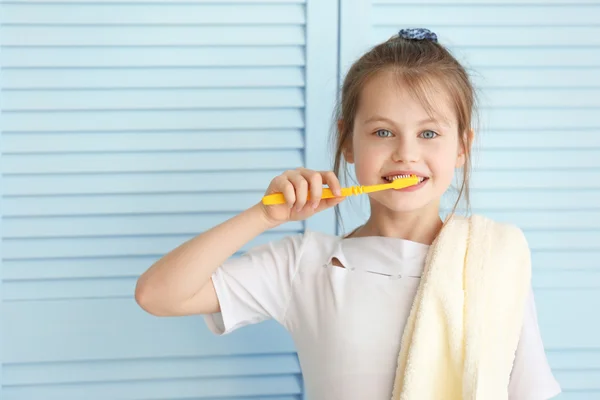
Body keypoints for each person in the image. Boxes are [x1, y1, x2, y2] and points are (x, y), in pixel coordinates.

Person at [135, 28, 561, 399]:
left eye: (429, 133)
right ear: (349, 143)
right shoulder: (304, 265)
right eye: (382, 132)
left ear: (463, 146)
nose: (406, 153)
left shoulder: (494, 260)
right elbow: (157, 295)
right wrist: (262, 217)